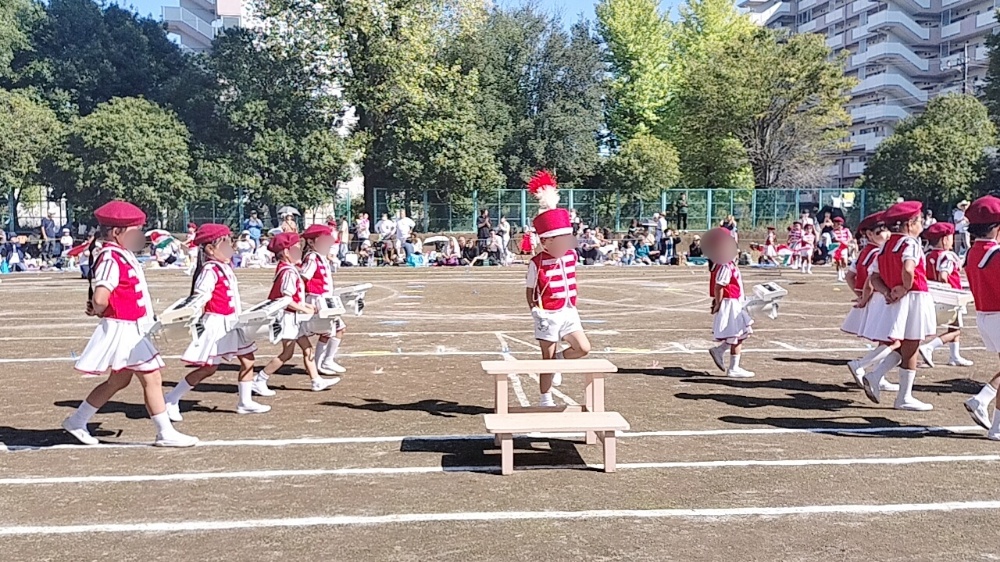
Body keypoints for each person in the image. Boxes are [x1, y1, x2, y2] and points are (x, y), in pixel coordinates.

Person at [62, 201, 197, 447]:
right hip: (124, 329)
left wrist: (99, 307)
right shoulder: (111, 257)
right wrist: (98, 308)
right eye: (134, 230)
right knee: (152, 377)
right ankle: (164, 432)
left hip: (131, 327)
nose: (139, 236)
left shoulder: (120, 254)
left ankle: (77, 420)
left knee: (119, 380)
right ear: (116, 232)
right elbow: (102, 296)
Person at [164, 224, 269, 421]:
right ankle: (171, 398)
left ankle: (244, 402)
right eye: (225, 243)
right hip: (216, 323)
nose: (231, 247)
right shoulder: (210, 269)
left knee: (248, 359)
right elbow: (201, 296)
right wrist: (188, 312)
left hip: (232, 322)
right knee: (209, 367)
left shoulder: (225, 267)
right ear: (211, 249)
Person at [861, 201, 936, 411]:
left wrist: (886, 291)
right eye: (919, 221)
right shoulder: (910, 243)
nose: (922, 225)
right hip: (914, 297)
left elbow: (873, 276)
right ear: (910, 223)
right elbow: (909, 268)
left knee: (905, 345)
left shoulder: (885, 245)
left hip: (896, 300)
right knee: (912, 345)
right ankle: (904, 396)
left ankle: (876, 376)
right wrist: (904, 287)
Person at [525, 171, 591, 407]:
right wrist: (535, 310)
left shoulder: (571, 255)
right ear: (545, 242)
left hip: (569, 311)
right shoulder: (537, 263)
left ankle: (562, 359)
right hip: (548, 314)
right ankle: (545, 397)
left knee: (583, 347)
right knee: (547, 359)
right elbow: (530, 291)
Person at [252, 232, 341, 395]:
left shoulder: (288, 269)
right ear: (286, 252)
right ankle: (260, 379)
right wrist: (304, 308)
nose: (300, 252)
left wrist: (304, 305)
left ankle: (316, 381)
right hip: (287, 318)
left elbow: (292, 298)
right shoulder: (288, 272)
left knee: (308, 350)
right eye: (297, 249)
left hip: (292, 317)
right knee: (287, 354)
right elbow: (285, 299)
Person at [843, 212, 899, 392]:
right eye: (882, 232)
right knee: (894, 341)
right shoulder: (878, 252)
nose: (888, 235)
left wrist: (859, 294)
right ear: (869, 234)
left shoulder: (864, 252)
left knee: (885, 341)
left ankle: (879, 375)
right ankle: (861, 365)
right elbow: (870, 280)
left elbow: (850, 276)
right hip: (878, 298)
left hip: (871, 298)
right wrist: (864, 297)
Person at [959, 195, 1000, 438]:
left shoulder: (973, 251)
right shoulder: (995, 253)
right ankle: (997, 426)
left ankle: (983, 398)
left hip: (986, 314)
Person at [917, 222, 973, 368]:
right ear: (944, 239)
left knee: (953, 326)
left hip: (932, 296)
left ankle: (954, 356)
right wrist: (946, 285)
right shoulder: (947, 256)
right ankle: (930, 347)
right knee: (955, 329)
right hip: (950, 297)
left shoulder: (927, 254)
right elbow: (943, 275)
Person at [704, 228, 755, 378]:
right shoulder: (725, 265)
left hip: (735, 301)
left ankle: (721, 352)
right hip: (730, 303)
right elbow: (719, 285)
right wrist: (718, 303)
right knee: (738, 334)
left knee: (739, 333)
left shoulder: (729, 264)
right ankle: (733, 367)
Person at [300, 224, 349, 375]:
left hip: (325, 299)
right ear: (311, 242)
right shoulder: (312, 258)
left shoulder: (320, 257)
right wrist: (303, 300)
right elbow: (303, 277)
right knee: (331, 331)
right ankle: (321, 362)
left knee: (335, 330)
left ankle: (324, 361)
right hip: (317, 300)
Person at [831, 217, 853, 282]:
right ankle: (839, 275)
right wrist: (842, 242)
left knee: (844, 262)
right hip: (838, 247)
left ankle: (842, 271)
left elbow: (850, 237)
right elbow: (835, 238)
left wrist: (847, 242)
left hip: (844, 247)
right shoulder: (833, 231)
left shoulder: (846, 230)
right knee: (839, 262)